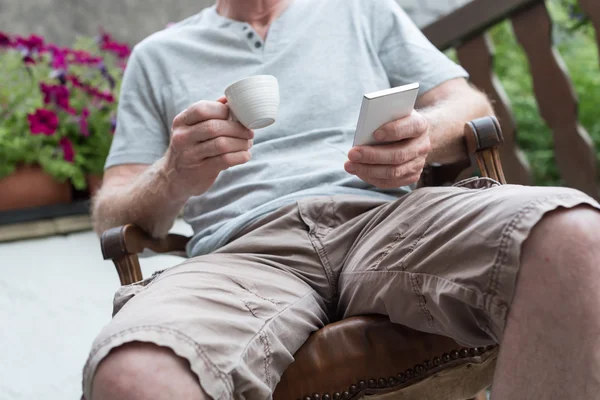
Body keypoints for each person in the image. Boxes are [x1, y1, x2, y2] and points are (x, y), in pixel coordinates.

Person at [84, 0, 600, 399]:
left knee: (575, 238)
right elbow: (112, 208)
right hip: (241, 255)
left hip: (389, 219)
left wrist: (423, 133)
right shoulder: (158, 56)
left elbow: (466, 102)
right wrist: (173, 173)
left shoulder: (358, 8)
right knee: (134, 374)